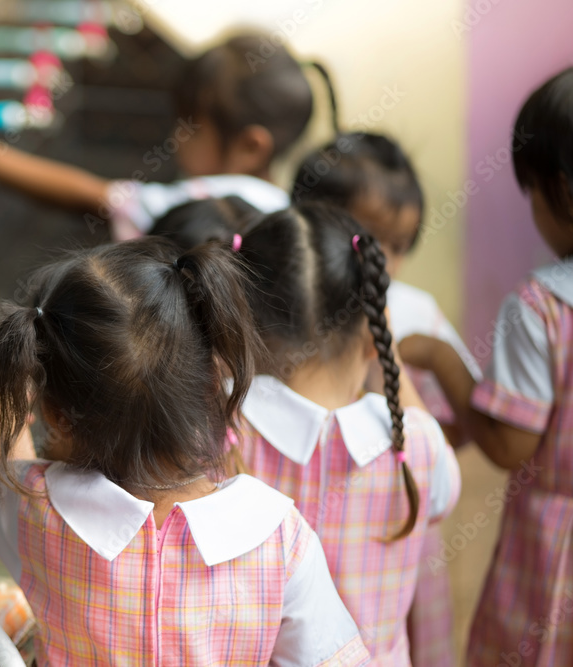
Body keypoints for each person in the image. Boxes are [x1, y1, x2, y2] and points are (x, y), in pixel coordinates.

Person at [0, 237, 369, 665]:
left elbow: (2, 473)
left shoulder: (32, 508)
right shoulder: (279, 537)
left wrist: (8, 411)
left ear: (55, 413)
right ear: (213, 382)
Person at [155, 199, 460, 663]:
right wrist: (388, 351)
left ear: (244, 319)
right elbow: (444, 494)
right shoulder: (416, 443)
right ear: (374, 330)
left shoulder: (209, 432)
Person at [395, 67, 573, 666]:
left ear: (564, 191)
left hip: (556, 549)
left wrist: (443, 360)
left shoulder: (544, 305)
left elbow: (509, 445)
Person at [292, 131, 479, 666]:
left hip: (390, 529)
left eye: (399, 246)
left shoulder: (415, 312)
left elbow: (458, 430)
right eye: (369, 242)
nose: (386, 264)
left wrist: (433, 361)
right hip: (306, 517)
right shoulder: (285, 313)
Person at [0, 32, 321, 241]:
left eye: (192, 126)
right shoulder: (278, 205)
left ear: (250, 146)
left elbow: (99, 199)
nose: (178, 136)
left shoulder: (224, 205)